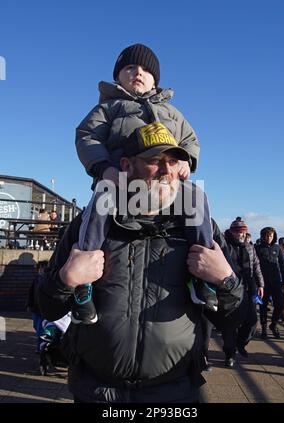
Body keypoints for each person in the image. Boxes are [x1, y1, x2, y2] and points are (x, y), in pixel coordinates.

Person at [38, 130, 243, 403]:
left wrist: (225, 280)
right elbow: (46, 307)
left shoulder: (200, 228)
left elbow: (236, 318)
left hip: (175, 394)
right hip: (96, 392)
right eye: (155, 160)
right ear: (126, 165)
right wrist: (65, 279)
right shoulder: (90, 225)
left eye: (173, 161)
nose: (166, 170)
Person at [73, 44, 216, 324]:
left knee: (196, 196)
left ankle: (202, 276)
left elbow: (191, 140)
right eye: (130, 68)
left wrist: (189, 161)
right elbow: (87, 137)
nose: (138, 73)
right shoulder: (108, 108)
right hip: (121, 179)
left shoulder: (172, 112)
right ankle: (83, 281)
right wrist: (104, 168)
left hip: (166, 184)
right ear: (118, 76)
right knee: (100, 202)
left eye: (146, 70)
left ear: (155, 80)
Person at [221, 217, 264, 367]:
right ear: (232, 232)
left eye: (243, 232)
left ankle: (241, 343)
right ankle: (230, 354)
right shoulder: (225, 246)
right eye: (237, 231)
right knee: (230, 324)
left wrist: (261, 285)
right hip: (229, 289)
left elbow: (256, 266)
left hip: (247, 287)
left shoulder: (250, 247)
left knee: (252, 321)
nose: (240, 234)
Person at [255, 227, 284, 339]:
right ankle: (264, 328)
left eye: (271, 236)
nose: (269, 238)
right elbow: (254, 266)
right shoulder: (257, 248)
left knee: (280, 305)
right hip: (263, 282)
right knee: (263, 306)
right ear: (263, 236)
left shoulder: (277, 248)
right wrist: (256, 282)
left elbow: (283, 264)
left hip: (276, 281)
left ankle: (273, 324)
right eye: (267, 236)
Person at [26, 260, 48, 352]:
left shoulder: (49, 280)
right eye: (40, 268)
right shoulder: (36, 280)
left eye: (43, 268)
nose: (41, 270)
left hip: (44, 309)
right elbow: (31, 293)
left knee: (40, 329)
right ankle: (43, 345)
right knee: (36, 326)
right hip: (35, 308)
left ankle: (40, 348)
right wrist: (29, 304)